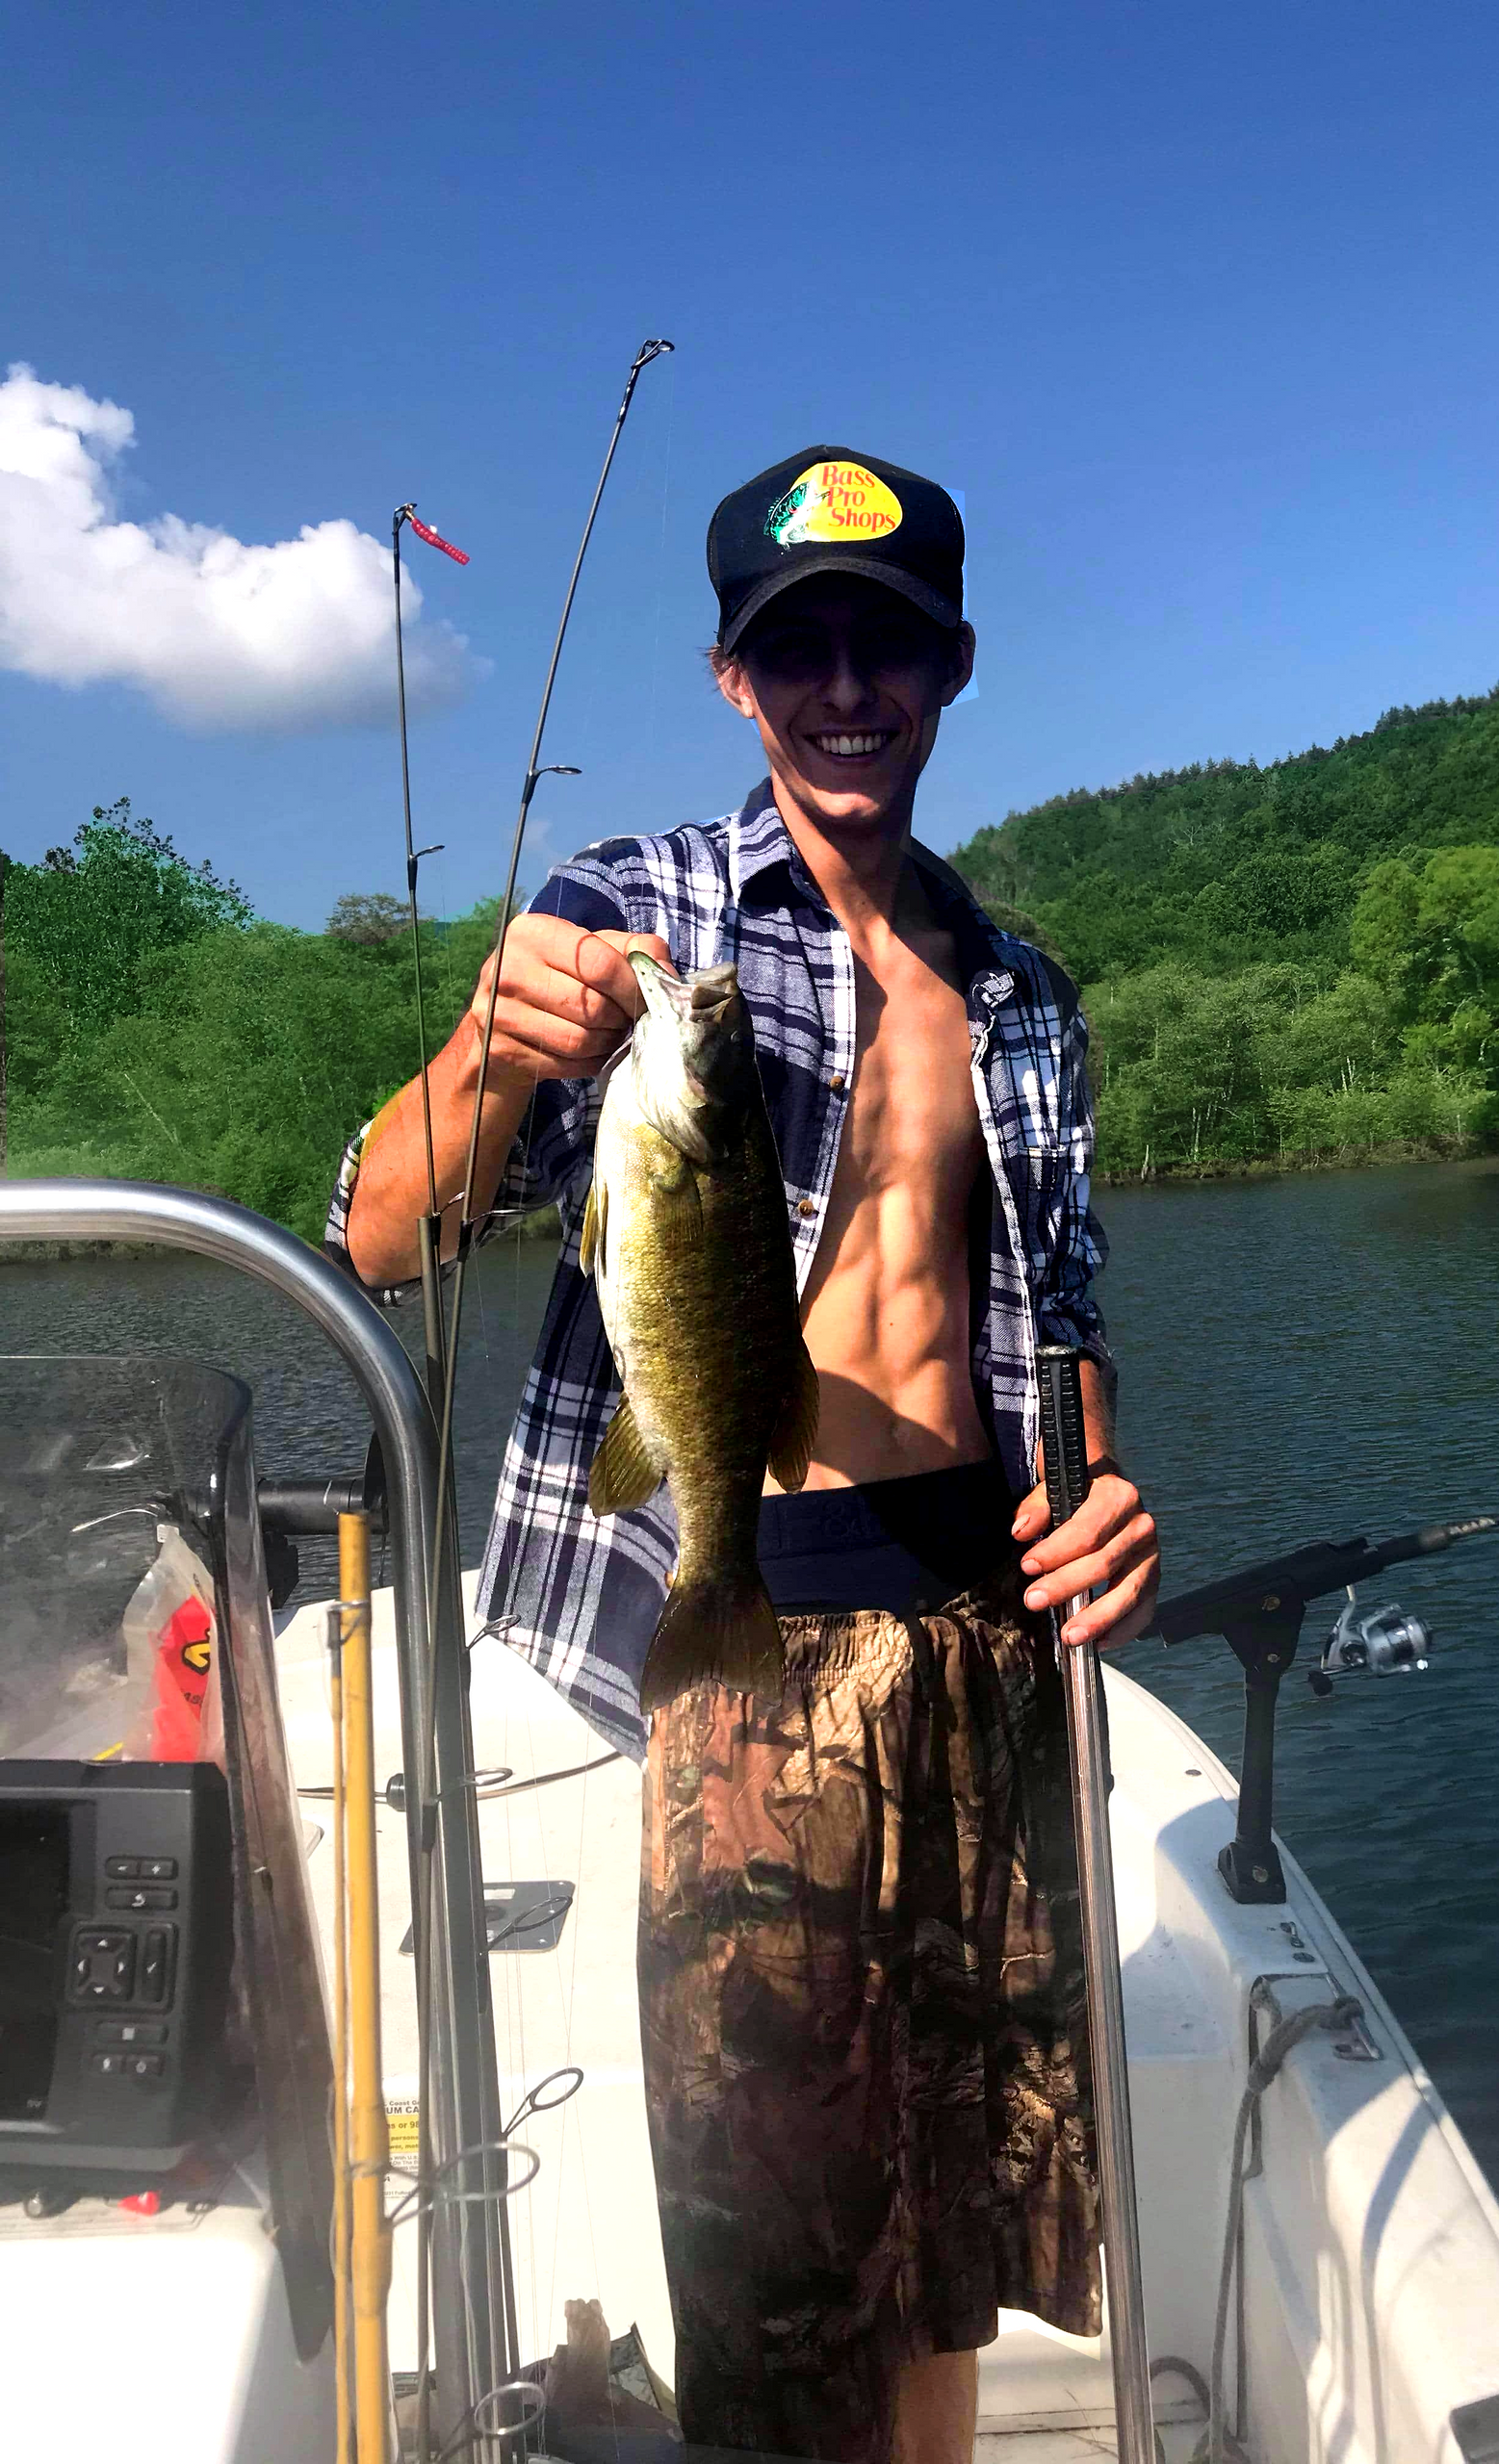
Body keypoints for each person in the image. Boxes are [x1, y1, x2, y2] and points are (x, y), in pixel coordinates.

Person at [327, 446, 1161, 2464]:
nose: (849, 685)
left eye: (890, 643)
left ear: (954, 665)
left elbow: (1057, 1319)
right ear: (732, 679)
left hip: (984, 1639)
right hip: (752, 1643)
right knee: (775, 2247)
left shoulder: (1022, 994)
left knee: (952, 2217)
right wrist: (490, 1045)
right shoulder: (631, 920)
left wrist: (1109, 1501)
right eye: (803, 650)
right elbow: (376, 1226)